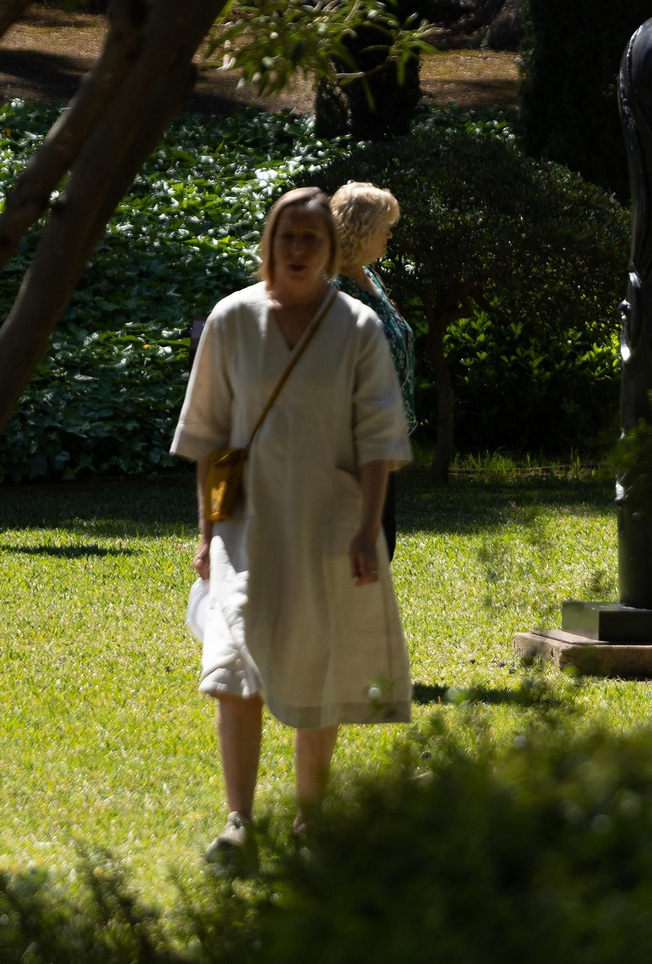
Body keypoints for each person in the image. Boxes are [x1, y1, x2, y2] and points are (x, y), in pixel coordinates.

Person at [171, 186, 414, 855]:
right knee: (231, 668)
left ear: (331, 249)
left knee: (319, 668)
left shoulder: (357, 329)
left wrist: (367, 529)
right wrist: (206, 533)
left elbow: (378, 438)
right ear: (269, 245)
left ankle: (309, 823)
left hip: (327, 528)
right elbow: (210, 436)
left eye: (312, 238)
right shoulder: (231, 320)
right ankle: (239, 823)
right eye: (288, 237)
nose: (299, 249)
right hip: (244, 529)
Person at [328, 181, 415, 560]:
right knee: (365, 542)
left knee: (383, 541)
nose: (390, 234)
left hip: (382, 432)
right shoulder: (334, 288)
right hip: (353, 439)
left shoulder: (369, 277)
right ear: (360, 230)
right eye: (385, 226)